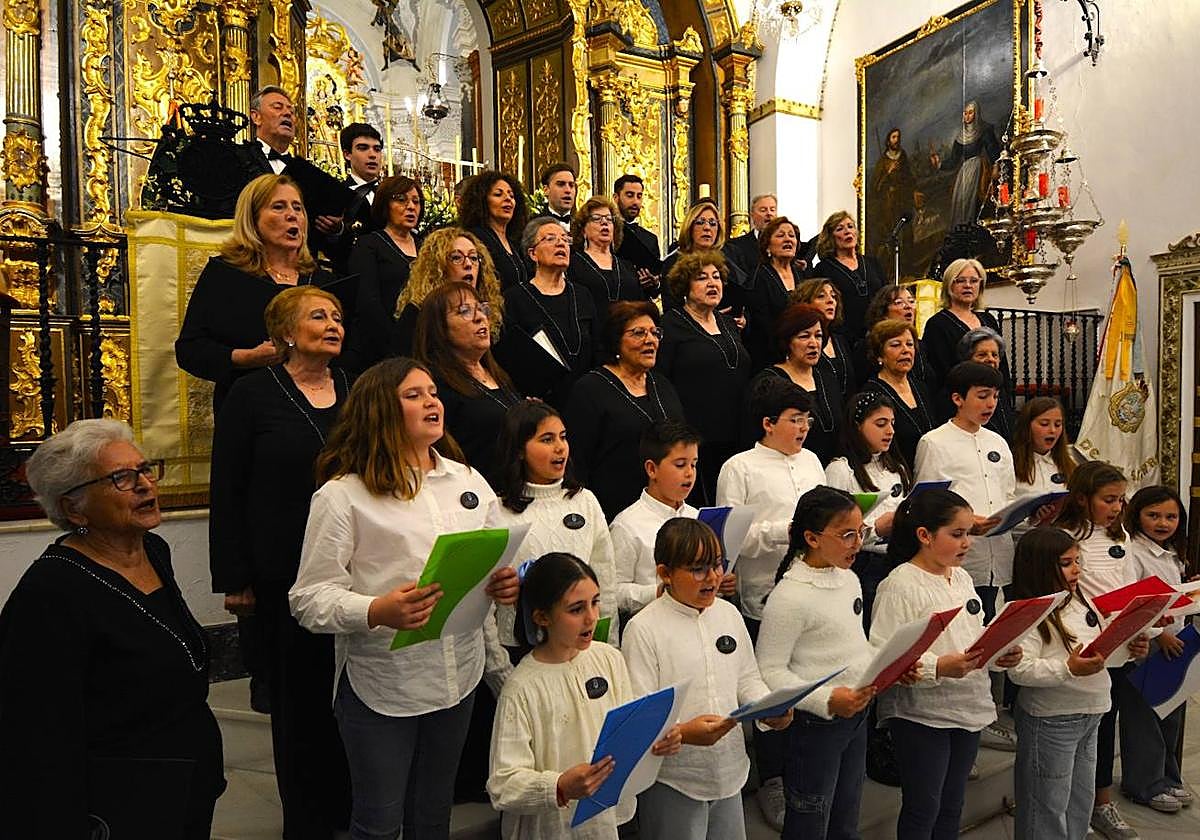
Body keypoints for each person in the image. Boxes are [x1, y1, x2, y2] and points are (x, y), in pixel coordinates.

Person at [288, 357, 520, 839]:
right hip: (385, 683)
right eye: (413, 395)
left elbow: (494, 560)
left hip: (459, 673)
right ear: (379, 410)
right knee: (378, 822)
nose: (432, 401)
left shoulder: (468, 481)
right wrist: (377, 610)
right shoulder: (343, 495)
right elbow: (308, 598)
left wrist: (504, 584)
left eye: (433, 392)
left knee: (433, 816)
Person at [0, 419, 225, 839]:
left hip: (184, 785)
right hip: (118, 802)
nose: (143, 484)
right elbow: (38, 734)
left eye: (144, 469)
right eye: (121, 477)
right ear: (74, 508)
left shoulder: (152, 551)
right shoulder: (51, 592)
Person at [208, 285, 352, 837]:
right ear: (286, 333)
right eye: (319, 316)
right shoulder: (251, 393)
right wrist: (235, 575)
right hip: (281, 569)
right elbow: (228, 487)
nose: (334, 323)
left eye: (337, 316)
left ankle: (350, 804)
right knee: (301, 701)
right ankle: (309, 819)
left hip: (351, 571)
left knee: (349, 695)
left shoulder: (353, 387)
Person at [487, 553, 682, 840]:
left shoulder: (609, 659)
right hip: (551, 829)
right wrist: (559, 786)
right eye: (576, 609)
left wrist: (657, 738)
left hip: (608, 821)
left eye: (595, 602)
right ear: (542, 617)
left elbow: (626, 732)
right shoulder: (521, 688)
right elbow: (503, 784)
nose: (592, 617)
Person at [624, 518, 791, 840]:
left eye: (716, 565)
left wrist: (770, 710)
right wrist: (684, 734)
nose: (713, 577)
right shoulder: (643, 629)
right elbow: (639, 716)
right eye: (698, 569)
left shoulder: (728, 614)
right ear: (665, 573)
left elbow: (747, 679)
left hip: (730, 770)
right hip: (673, 780)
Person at [870, 488, 1023, 840]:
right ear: (924, 535)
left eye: (968, 533)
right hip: (923, 715)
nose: (967, 542)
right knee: (924, 806)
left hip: (967, 705)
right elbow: (885, 655)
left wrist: (1000, 651)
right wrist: (938, 668)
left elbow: (973, 634)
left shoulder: (962, 577)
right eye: (957, 534)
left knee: (953, 804)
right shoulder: (899, 585)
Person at [716, 376, 825, 831]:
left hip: (815, 590)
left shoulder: (814, 460)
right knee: (772, 690)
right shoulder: (740, 467)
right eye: (793, 420)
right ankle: (772, 778)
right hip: (763, 594)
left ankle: (806, 773)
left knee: (807, 681)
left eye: (806, 419)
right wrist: (788, 530)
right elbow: (728, 538)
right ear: (767, 423)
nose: (802, 428)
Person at [1008, 527, 1140, 840]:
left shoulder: (1081, 600)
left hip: (1091, 712)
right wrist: (1067, 669)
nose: (1077, 569)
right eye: (1067, 563)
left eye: (1078, 561)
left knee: (1080, 801)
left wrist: (1130, 647)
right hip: (1052, 720)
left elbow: (1099, 648)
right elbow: (1019, 671)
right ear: (1040, 567)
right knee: (1046, 806)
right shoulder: (1029, 612)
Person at [176, 173, 337, 413]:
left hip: (318, 405)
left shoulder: (322, 280)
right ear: (253, 219)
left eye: (298, 208)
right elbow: (190, 350)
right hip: (250, 407)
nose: (292, 215)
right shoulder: (226, 275)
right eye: (278, 207)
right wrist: (245, 358)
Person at [1051, 461, 1143, 838]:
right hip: (1078, 649)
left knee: (1106, 731)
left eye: (1121, 500)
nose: (1117, 507)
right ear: (1082, 498)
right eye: (1108, 500)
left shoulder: (1122, 539)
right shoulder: (1063, 538)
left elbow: (1134, 589)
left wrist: (1144, 630)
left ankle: (1100, 803)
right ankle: (1071, 806)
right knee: (1078, 735)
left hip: (1119, 647)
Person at [491, 401, 618, 648]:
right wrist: (500, 669)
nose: (560, 447)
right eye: (547, 439)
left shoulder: (584, 500)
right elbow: (487, 603)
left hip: (582, 643)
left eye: (563, 437)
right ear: (519, 449)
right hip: (520, 647)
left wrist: (609, 645)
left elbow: (605, 580)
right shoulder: (496, 511)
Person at [914, 362, 1016, 624]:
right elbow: (926, 504)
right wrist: (969, 522)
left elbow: (1008, 494)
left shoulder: (998, 442)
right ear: (958, 398)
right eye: (982, 396)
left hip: (1000, 556)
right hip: (961, 557)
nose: (990, 404)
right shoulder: (934, 442)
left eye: (995, 396)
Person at [564, 301, 685, 520]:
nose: (650, 340)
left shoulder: (663, 385)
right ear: (615, 341)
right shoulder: (590, 389)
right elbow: (577, 464)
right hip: (611, 512)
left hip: (667, 511)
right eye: (638, 333)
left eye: (654, 332)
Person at [658, 250, 751, 504]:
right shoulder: (670, 325)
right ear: (685, 287)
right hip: (695, 437)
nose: (712, 283)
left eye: (717, 277)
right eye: (702, 278)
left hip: (735, 434)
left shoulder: (729, 323)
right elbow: (660, 382)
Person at [1122, 486, 1194, 814]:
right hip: (1147, 644)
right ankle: (1144, 784)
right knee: (1146, 718)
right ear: (1137, 515)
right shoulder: (1132, 553)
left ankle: (1169, 777)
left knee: (1171, 713)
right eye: (1153, 516)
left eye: (1171, 516)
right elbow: (1134, 603)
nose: (1163, 523)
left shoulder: (1173, 554)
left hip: (1176, 643)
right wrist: (1159, 634)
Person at [414, 281, 522, 483]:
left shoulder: (499, 374)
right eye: (464, 311)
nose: (480, 317)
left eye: (481, 309)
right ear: (440, 328)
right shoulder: (436, 385)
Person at [824, 390, 913, 628]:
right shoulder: (841, 469)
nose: (890, 431)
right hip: (862, 564)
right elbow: (832, 529)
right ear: (857, 426)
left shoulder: (897, 468)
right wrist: (876, 529)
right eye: (881, 423)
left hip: (898, 558)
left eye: (893, 423)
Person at [234, 86, 348, 258]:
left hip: (300, 265)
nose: (287, 114)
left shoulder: (310, 174)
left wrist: (336, 230)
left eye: (291, 111)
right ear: (256, 117)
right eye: (278, 107)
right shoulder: (238, 158)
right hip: (250, 260)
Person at [500, 217, 598, 407]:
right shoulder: (515, 299)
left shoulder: (582, 294)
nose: (561, 243)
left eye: (564, 238)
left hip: (586, 399)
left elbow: (597, 346)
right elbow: (510, 358)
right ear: (533, 254)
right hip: (540, 403)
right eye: (550, 238)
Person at [610, 421, 703, 621]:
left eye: (693, 464)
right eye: (680, 465)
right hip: (650, 627)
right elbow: (612, 592)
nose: (689, 473)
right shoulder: (627, 525)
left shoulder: (698, 517)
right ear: (652, 469)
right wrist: (657, 591)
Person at [344, 174, 423, 372]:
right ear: (385, 204)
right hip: (382, 348)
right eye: (401, 200)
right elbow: (367, 301)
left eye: (416, 201)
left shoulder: (426, 246)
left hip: (422, 343)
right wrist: (396, 341)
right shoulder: (369, 244)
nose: (411, 207)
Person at [749, 303, 843, 464]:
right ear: (787, 341)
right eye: (804, 336)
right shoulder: (769, 382)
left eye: (818, 336)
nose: (814, 343)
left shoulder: (828, 378)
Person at [393, 226, 504, 357]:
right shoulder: (417, 315)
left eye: (474, 258)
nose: (468, 264)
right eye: (457, 257)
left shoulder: (487, 312)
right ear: (438, 267)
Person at [860, 319, 936, 469]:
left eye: (910, 344)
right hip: (893, 473)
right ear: (879, 355)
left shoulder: (921, 387)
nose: (906, 350)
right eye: (895, 345)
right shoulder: (872, 393)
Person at [921, 258, 1007, 387]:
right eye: (961, 280)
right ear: (949, 285)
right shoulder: (937, 324)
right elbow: (941, 371)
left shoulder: (988, 319)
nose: (968, 285)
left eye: (974, 281)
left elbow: (1003, 365)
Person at [567, 195, 646, 321]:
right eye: (596, 219)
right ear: (583, 231)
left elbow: (640, 305)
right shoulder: (573, 264)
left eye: (609, 219)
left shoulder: (627, 266)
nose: (604, 223)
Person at [663, 201, 747, 315]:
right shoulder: (673, 262)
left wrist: (743, 319)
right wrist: (713, 318)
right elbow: (671, 309)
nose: (707, 227)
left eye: (713, 223)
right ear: (690, 227)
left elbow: (745, 299)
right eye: (700, 222)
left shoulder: (726, 261)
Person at [745, 216, 807, 371]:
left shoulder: (802, 275)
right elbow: (762, 324)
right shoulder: (759, 277)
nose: (788, 239)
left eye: (791, 236)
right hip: (771, 356)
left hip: (803, 353)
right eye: (780, 235)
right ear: (767, 246)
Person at [813, 211, 885, 341]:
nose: (847, 231)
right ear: (830, 238)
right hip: (844, 336)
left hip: (877, 334)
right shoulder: (823, 268)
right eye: (840, 229)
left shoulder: (872, 263)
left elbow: (886, 295)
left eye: (850, 226)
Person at [929, 100, 1001, 229]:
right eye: (965, 113)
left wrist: (996, 167)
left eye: (970, 113)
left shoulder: (984, 131)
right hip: (965, 171)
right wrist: (939, 163)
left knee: (974, 203)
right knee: (961, 201)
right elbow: (953, 161)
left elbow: (993, 151)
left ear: (976, 114)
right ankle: (962, 231)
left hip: (979, 168)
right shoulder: (960, 137)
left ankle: (974, 229)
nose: (967, 116)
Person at [460, 170, 530, 290]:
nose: (508, 198)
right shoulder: (476, 238)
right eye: (498, 194)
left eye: (511, 196)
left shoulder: (514, 241)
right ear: (482, 201)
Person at [853, 284, 934, 388]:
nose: (908, 306)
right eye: (899, 303)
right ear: (883, 313)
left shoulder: (920, 345)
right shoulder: (867, 345)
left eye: (911, 301)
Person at [794, 277, 854, 398]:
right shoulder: (798, 341)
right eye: (821, 296)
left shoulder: (840, 340)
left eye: (833, 296)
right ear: (805, 303)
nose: (830, 301)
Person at [868, 127, 916, 274]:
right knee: (890, 233)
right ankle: (889, 268)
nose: (897, 140)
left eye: (898, 137)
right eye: (894, 137)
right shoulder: (883, 161)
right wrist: (887, 173)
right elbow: (875, 185)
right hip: (888, 204)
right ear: (888, 140)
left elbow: (909, 178)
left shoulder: (903, 157)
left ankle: (907, 266)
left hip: (902, 201)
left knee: (906, 232)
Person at [335, 122, 385, 263]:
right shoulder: (337, 194)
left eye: (377, 149)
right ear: (347, 154)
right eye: (363, 148)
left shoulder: (391, 194)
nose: (372, 155)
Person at [954, 326, 1015, 439]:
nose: (990, 359)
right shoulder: (958, 391)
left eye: (994, 355)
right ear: (967, 359)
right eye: (982, 355)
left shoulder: (1001, 389)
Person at [613, 174, 663, 295]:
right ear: (616, 197)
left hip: (641, 305)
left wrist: (655, 283)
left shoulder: (650, 239)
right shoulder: (607, 232)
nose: (635, 201)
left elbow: (655, 292)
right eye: (629, 195)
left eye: (639, 196)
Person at [724, 193, 776, 278]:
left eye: (772, 210)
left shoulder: (788, 246)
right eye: (763, 210)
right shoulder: (736, 246)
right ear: (752, 215)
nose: (769, 213)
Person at [539, 162, 577, 228]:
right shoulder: (534, 224)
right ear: (546, 190)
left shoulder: (582, 225)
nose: (568, 190)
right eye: (561, 184)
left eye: (571, 185)